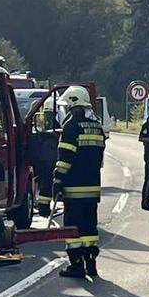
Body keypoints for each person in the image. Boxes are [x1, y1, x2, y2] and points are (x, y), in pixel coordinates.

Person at [52, 86, 107, 278]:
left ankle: (76, 265)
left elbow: (65, 157)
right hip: (92, 187)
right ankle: (90, 263)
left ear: (72, 105)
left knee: (73, 228)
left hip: (74, 187)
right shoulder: (97, 127)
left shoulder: (71, 126)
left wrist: (57, 180)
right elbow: (98, 156)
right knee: (89, 226)